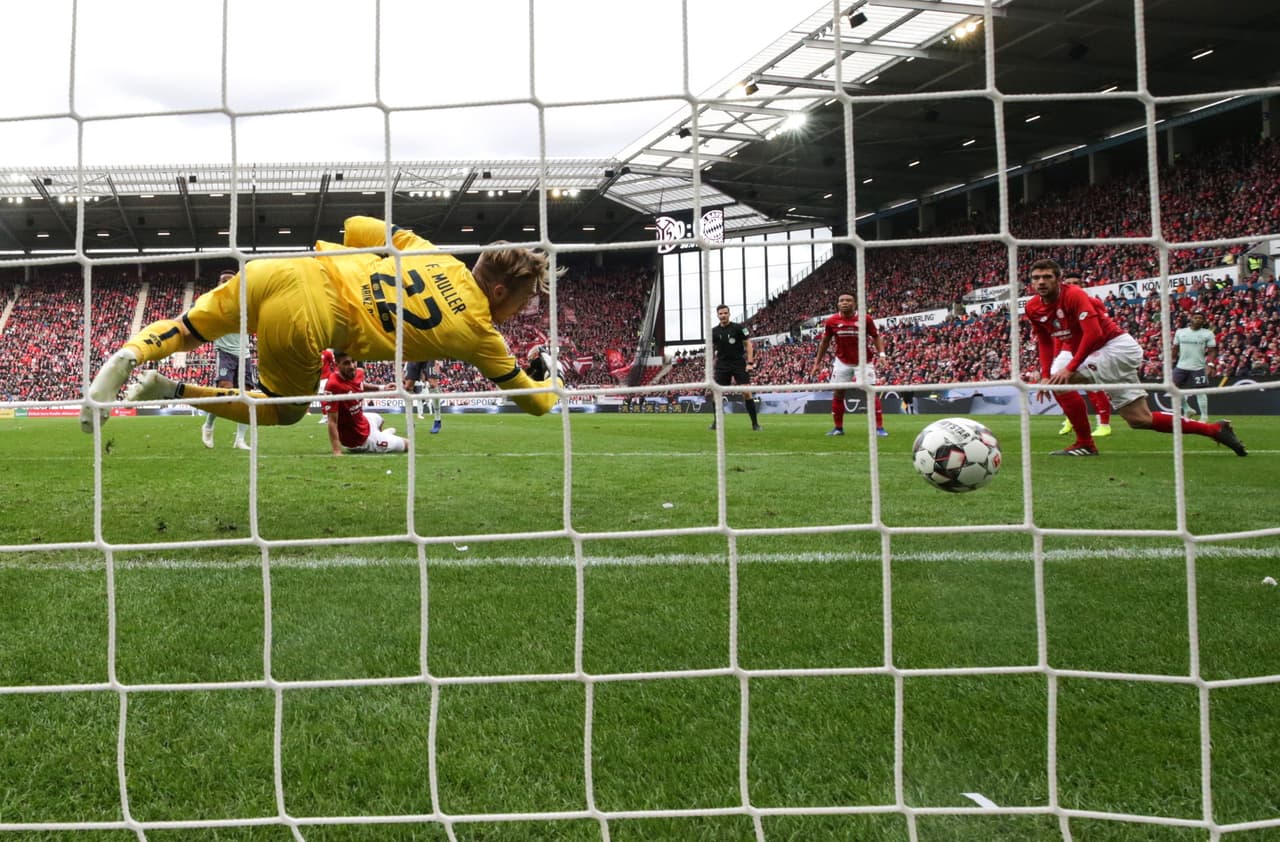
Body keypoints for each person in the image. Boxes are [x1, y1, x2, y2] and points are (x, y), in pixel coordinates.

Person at [80, 216, 564, 433]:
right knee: (283, 412)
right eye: (522, 301)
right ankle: (170, 390)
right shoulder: (481, 333)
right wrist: (553, 375)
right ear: (499, 291)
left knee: (186, 328)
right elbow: (539, 404)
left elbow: (356, 225)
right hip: (310, 316)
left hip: (282, 269)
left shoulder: (431, 252)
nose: (520, 312)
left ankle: (131, 354)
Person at [1024, 258, 1246, 457]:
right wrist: (1044, 374)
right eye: (1036, 278)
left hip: (1116, 349)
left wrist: (1070, 368)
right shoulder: (1033, 307)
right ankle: (1214, 430)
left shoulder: (1073, 294)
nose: (1041, 282)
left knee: (1061, 380)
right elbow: (1045, 340)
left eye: (1047, 277)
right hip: (1093, 354)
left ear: (1058, 280)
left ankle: (1085, 443)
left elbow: (1094, 334)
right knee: (1139, 419)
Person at [809, 293, 886, 437]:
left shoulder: (865, 319)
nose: (845, 303)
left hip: (864, 362)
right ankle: (838, 428)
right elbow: (825, 342)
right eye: (841, 300)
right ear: (838, 304)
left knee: (870, 392)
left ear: (855, 303)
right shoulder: (832, 321)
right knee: (838, 393)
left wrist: (882, 355)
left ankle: (879, 428)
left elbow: (876, 336)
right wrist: (817, 363)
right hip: (842, 362)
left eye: (848, 300)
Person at [1055, 272, 1112, 440]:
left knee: (1093, 386)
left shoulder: (1094, 303)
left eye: (1076, 282)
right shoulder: (1059, 306)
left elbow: (1101, 329)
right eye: (1069, 283)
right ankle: (1071, 418)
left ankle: (1103, 425)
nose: (1073, 285)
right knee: (1056, 382)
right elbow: (1058, 333)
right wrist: (1057, 353)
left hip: (1089, 347)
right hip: (1068, 347)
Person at [201, 269, 253, 450]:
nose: (226, 283)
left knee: (246, 397)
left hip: (244, 354)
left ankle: (239, 440)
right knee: (224, 393)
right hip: (225, 353)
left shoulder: (245, 302)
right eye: (223, 280)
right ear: (218, 283)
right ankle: (208, 425)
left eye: (230, 281)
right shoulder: (212, 301)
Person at [324, 350, 408, 455]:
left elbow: (361, 385)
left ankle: (381, 436)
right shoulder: (333, 385)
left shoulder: (358, 372)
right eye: (346, 363)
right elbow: (332, 422)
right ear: (337, 365)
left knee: (379, 418)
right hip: (358, 439)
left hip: (364, 421)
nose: (352, 366)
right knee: (408, 444)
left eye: (353, 361)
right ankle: (379, 440)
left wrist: (382, 388)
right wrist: (337, 451)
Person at [708, 304, 761, 431]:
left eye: (725, 313)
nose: (723, 315)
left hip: (738, 363)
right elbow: (710, 349)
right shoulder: (714, 332)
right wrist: (709, 366)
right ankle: (716, 423)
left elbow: (748, 344)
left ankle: (755, 424)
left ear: (729, 314)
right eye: (720, 314)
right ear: (717, 315)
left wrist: (750, 362)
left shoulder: (738, 328)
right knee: (716, 394)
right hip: (722, 364)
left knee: (747, 393)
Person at [1173, 310, 1217, 419]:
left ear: (1203, 321)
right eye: (1196, 317)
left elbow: (1212, 351)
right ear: (1191, 319)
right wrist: (1170, 361)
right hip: (1181, 366)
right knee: (1173, 388)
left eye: (1200, 318)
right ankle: (1187, 409)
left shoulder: (1208, 333)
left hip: (1198, 367)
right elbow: (1174, 349)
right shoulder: (1180, 332)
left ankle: (1204, 416)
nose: (1198, 319)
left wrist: (1210, 364)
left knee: (1200, 391)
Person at [403, 359, 444, 434]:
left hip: (428, 354)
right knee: (408, 387)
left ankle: (437, 420)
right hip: (414, 355)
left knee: (433, 384)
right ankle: (410, 422)